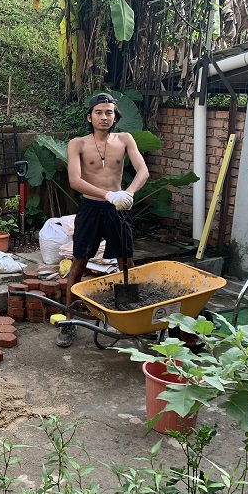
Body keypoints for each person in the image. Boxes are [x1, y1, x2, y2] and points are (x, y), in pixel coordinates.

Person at [57, 93, 149, 347]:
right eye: (98, 112)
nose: (104, 117)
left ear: (115, 117)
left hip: (118, 208)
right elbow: (75, 180)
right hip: (91, 208)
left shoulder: (125, 139)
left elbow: (143, 170)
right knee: (79, 263)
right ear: (90, 117)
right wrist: (107, 195)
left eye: (109, 112)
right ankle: (69, 321)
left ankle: (130, 316)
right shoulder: (77, 144)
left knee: (126, 262)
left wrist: (128, 194)